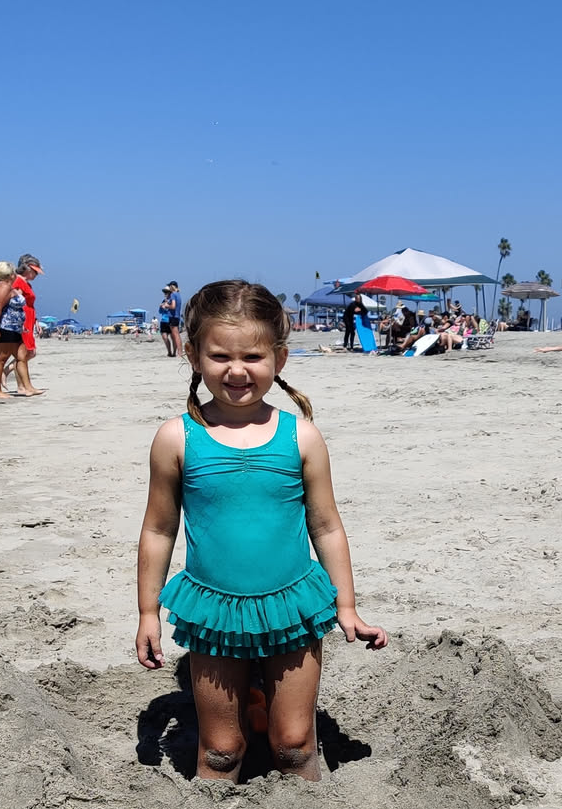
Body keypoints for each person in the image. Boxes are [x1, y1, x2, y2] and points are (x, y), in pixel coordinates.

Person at [135, 280, 387, 783]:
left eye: (252, 356)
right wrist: (147, 613)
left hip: (293, 605)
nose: (237, 370)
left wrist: (347, 607)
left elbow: (326, 526)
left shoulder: (302, 437)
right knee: (220, 751)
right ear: (193, 356)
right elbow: (159, 529)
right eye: (220, 356)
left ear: (279, 358)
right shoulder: (176, 438)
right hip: (214, 611)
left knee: (293, 743)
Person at [0, 257, 43, 399]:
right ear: (9, 274)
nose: (15, 274)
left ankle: (28, 387)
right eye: (12, 272)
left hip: (14, 327)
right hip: (4, 327)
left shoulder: (9, 286)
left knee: (21, 357)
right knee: (1, 359)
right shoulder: (3, 287)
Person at [159, 282, 183, 358]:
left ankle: (179, 352)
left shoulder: (173, 294)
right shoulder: (178, 294)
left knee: (175, 336)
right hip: (175, 317)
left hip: (173, 317)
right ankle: (179, 352)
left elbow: (173, 306)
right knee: (176, 336)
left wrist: (166, 306)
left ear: (172, 286)